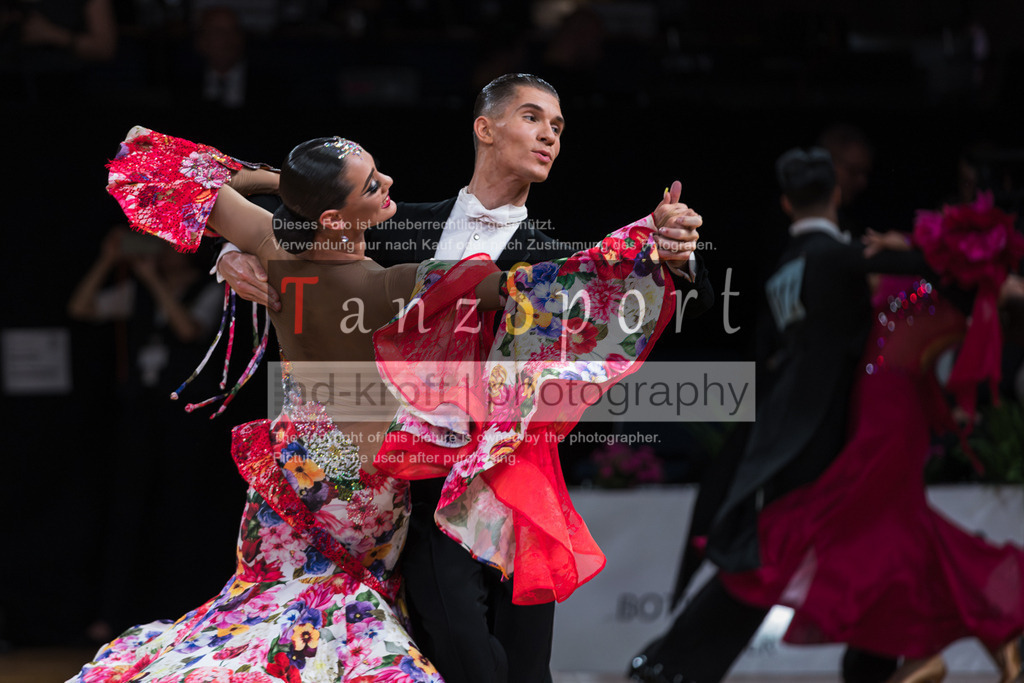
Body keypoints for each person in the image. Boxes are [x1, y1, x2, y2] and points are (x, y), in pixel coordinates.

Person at [71, 125, 700, 681]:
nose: (390, 183)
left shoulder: (269, 242)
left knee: (269, 603)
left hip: (292, 465)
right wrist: (645, 243)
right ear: (334, 219)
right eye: (372, 184)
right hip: (360, 488)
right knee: (342, 624)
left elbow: (148, 155)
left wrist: (282, 186)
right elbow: (533, 287)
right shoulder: (389, 285)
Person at [217, 72, 714, 683]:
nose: (550, 135)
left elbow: (634, 294)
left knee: (527, 666)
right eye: (532, 117)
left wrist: (675, 257)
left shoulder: (549, 251)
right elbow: (305, 225)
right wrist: (231, 257)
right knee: (459, 657)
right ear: (486, 128)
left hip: (518, 477)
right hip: (418, 485)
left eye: (558, 127)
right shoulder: (396, 223)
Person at [629, 147, 948, 683]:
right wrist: (909, 247)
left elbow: (769, 355)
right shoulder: (839, 256)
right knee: (770, 560)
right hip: (823, 444)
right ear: (837, 194)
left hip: (781, 434)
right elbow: (936, 270)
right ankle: (673, 664)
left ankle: (869, 662)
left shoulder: (785, 266)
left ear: (785, 203)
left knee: (844, 552)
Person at [719, 191, 1024, 683]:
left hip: (891, 414)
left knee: (870, 520)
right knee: (901, 531)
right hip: (877, 405)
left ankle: (953, 638)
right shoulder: (922, 281)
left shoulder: (963, 287)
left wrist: (913, 248)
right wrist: (906, 247)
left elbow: (999, 282)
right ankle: (969, 635)